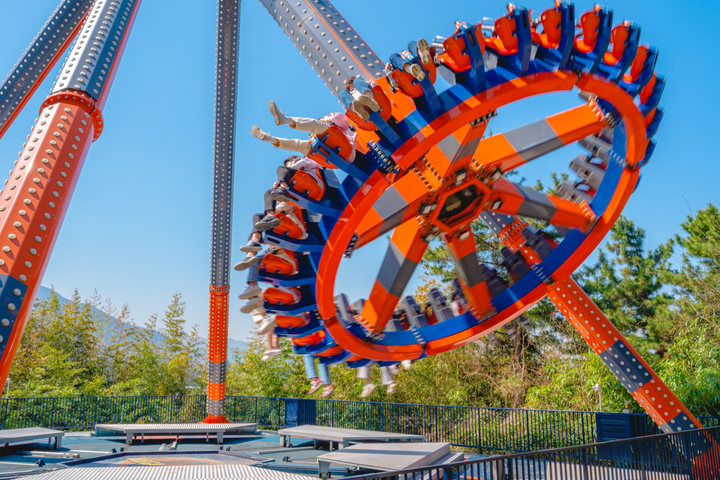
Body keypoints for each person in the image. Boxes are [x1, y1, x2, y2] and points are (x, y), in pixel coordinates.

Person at [251, 103, 357, 163]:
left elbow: (340, 118)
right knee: (299, 144)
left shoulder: (342, 130)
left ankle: (285, 120)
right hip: (333, 158)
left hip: (344, 150)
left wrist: (324, 120)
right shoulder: (321, 136)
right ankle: (270, 139)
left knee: (314, 126)